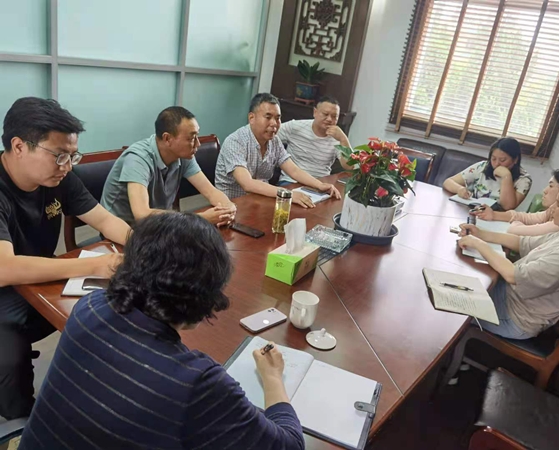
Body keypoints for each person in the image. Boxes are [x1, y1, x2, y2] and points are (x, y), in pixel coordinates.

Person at [19, 213, 305, 450]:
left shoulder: (90, 306)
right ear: (205, 296)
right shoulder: (196, 382)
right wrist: (272, 378)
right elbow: (289, 445)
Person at [0, 97, 129, 420]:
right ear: (19, 146)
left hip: (40, 279)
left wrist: (144, 246)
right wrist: (94, 265)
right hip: (5, 288)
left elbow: (105, 220)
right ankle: (21, 425)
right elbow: (5, 268)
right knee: (10, 358)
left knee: (108, 311)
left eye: (72, 156)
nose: (67, 165)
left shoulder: (60, 176)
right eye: (59, 155)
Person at [457, 178, 559, 339]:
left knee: (452, 306)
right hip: (508, 296)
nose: (552, 207)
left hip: (515, 316)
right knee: (456, 283)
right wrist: (481, 234)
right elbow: (522, 242)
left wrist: (479, 244)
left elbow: (513, 275)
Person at [101, 106, 236, 226]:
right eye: (191, 138)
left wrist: (228, 208)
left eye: (197, 136)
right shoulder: (138, 159)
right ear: (167, 138)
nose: (198, 144)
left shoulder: (184, 155)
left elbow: (211, 192)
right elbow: (142, 214)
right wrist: (200, 218)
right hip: (122, 230)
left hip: (159, 225)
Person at [215, 93, 341, 208]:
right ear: (252, 118)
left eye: (277, 118)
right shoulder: (235, 141)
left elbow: (294, 170)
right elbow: (247, 184)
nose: (274, 123)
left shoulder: (274, 141)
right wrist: (288, 194)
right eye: (268, 117)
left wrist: (320, 185)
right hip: (230, 206)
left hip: (259, 203)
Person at [472, 166, 559, 236]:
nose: (545, 191)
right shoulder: (553, 209)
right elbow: (527, 217)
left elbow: (515, 230)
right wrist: (493, 214)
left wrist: (517, 223)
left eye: (551, 186)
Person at [277, 96, 352, 184]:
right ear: (315, 112)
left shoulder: (338, 137)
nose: (329, 119)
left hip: (321, 182)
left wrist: (343, 139)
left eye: (334, 116)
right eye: (325, 114)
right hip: (291, 181)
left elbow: (349, 166)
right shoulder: (295, 127)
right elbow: (270, 135)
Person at [443, 137, 532, 210]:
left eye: (502, 160)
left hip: (496, 219)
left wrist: (506, 177)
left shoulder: (524, 179)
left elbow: (507, 207)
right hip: (472, 211)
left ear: (515, 159)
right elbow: (448, 182)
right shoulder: (482, 166)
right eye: (493, 159)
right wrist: (459, 189)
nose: (496, 164)